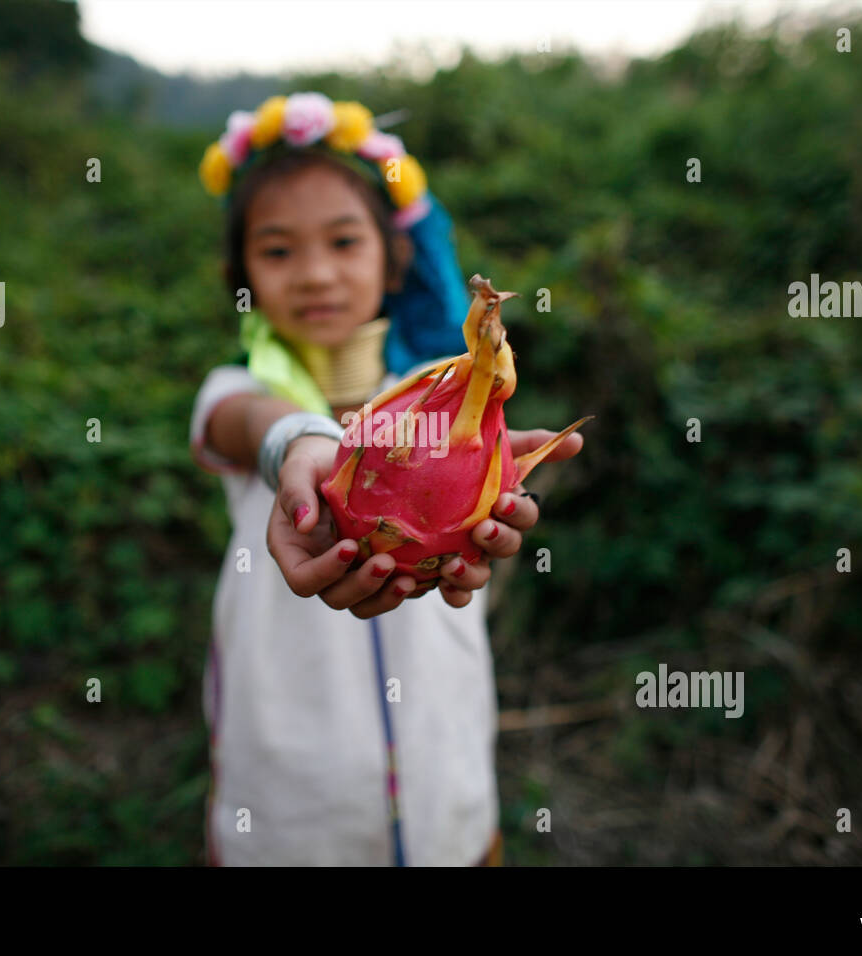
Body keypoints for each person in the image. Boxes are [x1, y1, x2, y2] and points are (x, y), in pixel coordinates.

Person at [189, 93, 583, 865]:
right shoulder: (233, 395)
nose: (315, 275)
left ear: (392, 256)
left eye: (344, 241)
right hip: (288, 801)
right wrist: (304, 439)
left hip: (448, 784)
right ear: (241, 274)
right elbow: (251, 424)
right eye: (277, 251)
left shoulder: (445, 406)